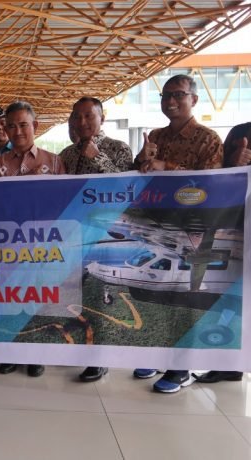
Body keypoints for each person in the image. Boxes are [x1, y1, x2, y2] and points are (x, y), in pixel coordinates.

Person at [133, 74, 223, 393]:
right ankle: (158, 355)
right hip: (159, 227)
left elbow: (212, 183)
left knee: (185, 298)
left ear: (193, 99)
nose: (170, 101)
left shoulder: (208, 139)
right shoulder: (156, 136)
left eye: (178, 95)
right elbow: (140, 174)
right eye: (165, 95)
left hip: (195, 231)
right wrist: (142, 160)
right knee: (158, 295)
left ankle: (181, 368)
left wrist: (165, 166)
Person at [0, 101, 64, 377]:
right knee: (10, 301)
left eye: (23, 125)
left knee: (38, 299)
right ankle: (10, 354)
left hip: (43, 247)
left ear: (35, 126)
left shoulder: (54, 162)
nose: (17, 131)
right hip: (7, 247)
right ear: (5, 129)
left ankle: (36, 354)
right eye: (11, 126)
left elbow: (62, 203)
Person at [59, 96, 133, 383]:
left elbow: (127, 186)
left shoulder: (118, 148)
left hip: (105, 236)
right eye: (77, 116)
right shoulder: (66, 154)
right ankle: (76, 347)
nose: (82, 122)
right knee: (74, 292)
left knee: (100, 296)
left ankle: (99, 357)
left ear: (103, 117)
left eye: (89, 116)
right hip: (72, 236)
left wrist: (97, 157)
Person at [192, 122, 250, 385]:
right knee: (231, 302)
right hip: (236, 244)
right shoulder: (228, 170)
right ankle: (229, 365)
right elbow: (215, 190)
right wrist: (233, 168)